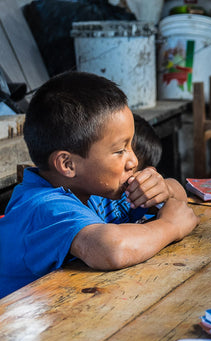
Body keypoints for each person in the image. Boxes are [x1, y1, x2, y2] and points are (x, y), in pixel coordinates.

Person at [0, 71, 198, 298]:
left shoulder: (95, 187)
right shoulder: (43, 207)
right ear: (68, 164)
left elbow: (180, 201)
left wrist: (164, 188)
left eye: (130, 145)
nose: (133, 161)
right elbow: (112, 249)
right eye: (120, 150)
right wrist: (170, 227)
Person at [87, 113, 165, 224]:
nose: (133, 162)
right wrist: (169, 224)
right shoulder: (93, 194)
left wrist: (168, 188)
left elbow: (177, 191)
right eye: (119, 151)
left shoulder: (128, 195)